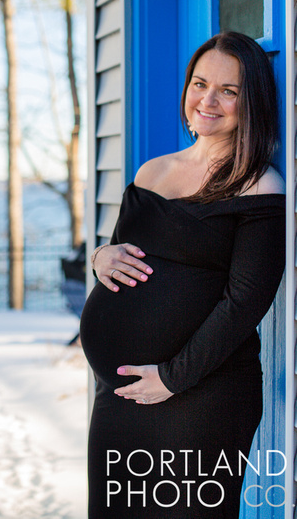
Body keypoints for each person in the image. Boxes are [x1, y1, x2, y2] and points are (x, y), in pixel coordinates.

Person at [79, 31, 286, 518]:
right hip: (121, 396)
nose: (207, 100)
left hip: (201, 396)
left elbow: (244, 304)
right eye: (200, 83)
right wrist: (99, 257)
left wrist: (171, 378)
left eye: (228, 91)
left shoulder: (258, 185)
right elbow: (122, 258)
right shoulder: (152, 173)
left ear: (251, 100)